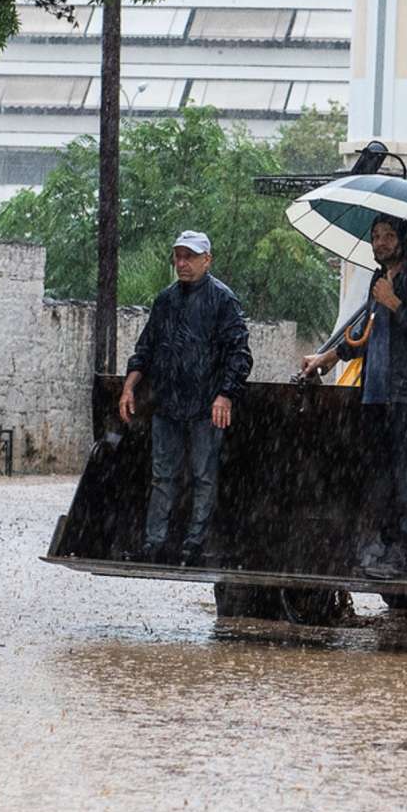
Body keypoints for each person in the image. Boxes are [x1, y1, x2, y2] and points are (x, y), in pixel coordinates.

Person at [300, 215, 407, 579]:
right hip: (376, 392)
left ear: (404, 238)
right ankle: (381, 548)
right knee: (379, 476)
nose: (380, 243)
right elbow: (365, 333)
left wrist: (395, 303)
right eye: (376, 236)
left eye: (388, 236)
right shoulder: (377, 280)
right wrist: (329, 357)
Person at [119, 231, 253, 565]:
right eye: (178, 256)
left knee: (203, 476)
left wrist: (225, 394)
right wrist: (129, 386)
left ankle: (194, 545)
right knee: (162, 476)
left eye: (189, 257)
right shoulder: (165, 300)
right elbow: (146, 348)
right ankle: (154, 544)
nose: (182, 263)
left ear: (207, 260)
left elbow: (240, 353)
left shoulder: (223, 300)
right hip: (168, 403)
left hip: (206, 406)